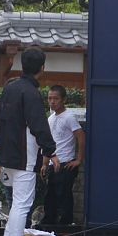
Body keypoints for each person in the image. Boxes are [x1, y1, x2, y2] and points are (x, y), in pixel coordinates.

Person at [0, 47, 58, 236]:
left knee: (16, 202)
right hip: (25, 156)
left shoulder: (10, 88)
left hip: (7, 154)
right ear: (42, 68)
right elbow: (39, 125)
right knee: (22, 204)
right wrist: (51, 151)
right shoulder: (31, 93)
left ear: (21, 65)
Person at [42, 85, 85, 226]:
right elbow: (49, 142)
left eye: (56, 98)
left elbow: (80, 135)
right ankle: (49, 223)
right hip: (52, 162)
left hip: (66, 162)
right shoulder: (51, 118)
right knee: (50, 196)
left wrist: (79, 159)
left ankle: (66, 224)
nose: (52, 102)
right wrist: (44, 163)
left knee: (64, 195)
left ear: (63, 99)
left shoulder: (69, 117)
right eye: (50, 98)